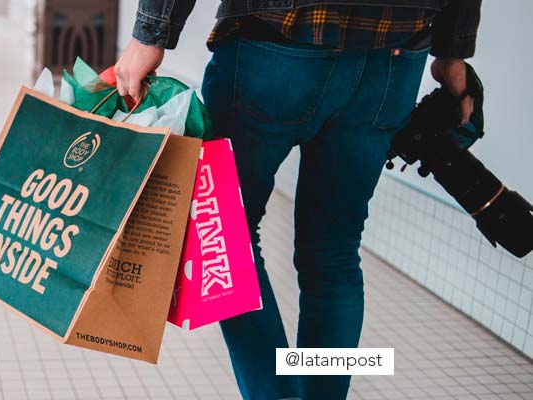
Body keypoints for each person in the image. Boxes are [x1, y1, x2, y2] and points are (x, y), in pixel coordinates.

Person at [115, 1, 481, 399]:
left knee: (225, 238)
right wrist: (452, 54)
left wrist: (150, 34)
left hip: (274, 46)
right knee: (334, 253)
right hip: (394, 57)